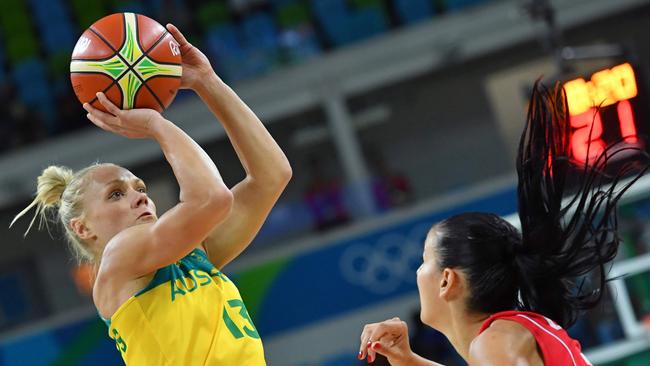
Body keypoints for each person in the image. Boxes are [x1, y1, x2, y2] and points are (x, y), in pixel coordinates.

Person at [10, 23, 291, 365]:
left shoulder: (191, 255)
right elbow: (212, 198)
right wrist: (156, 125)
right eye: (116, 194)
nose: (140, 197)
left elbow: (271, 176)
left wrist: (207, 82)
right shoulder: (118, 261)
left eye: (140, 188)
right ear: (82, 227)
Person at [357, 83, 649, 365]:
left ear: (448, 280)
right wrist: (407, 360)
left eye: (424, 261)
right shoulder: (503, 336)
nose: (418, 272)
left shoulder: (495, 343)